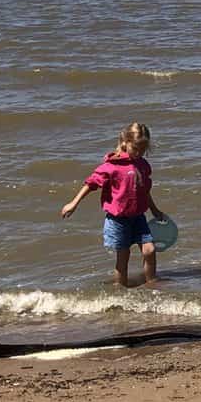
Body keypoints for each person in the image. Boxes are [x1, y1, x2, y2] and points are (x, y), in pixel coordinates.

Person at [60, 122, 167, 287]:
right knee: (123, 259)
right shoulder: (111, 166)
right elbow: (91, 184)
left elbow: (144, 190)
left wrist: (154, 209)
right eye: (136, 148)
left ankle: (152, 284)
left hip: (138, 217)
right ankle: (120, 291)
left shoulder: (143, 165)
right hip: (118, 220)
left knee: (150, 250)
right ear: (125, 142)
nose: (139, 153)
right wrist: (73, 203)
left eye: (143, 150)